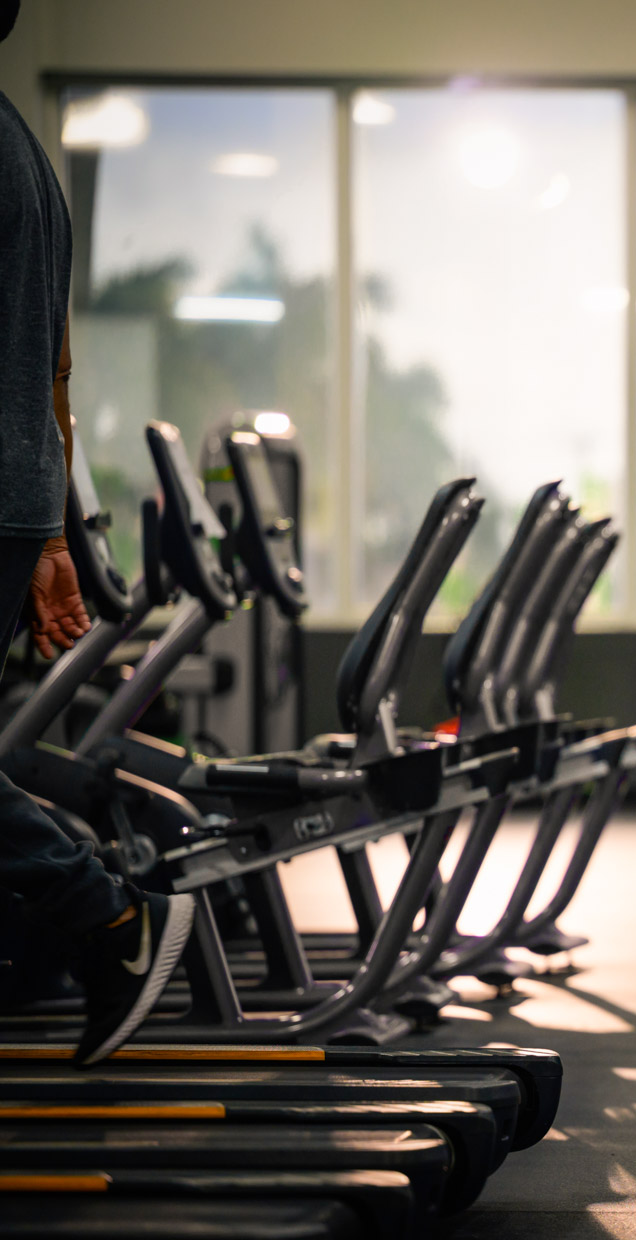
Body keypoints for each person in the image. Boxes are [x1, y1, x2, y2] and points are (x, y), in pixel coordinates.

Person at [1, 0, 195, 1066]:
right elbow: (56, 363)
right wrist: (53, 531)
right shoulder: (31, 158)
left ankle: (109, 911)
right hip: (23, 492)